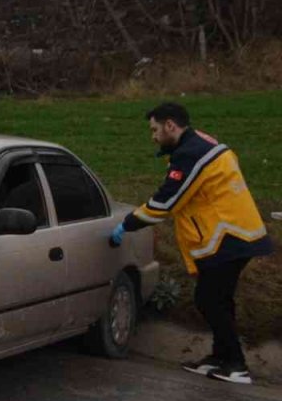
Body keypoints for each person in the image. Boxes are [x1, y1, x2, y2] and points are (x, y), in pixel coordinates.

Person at [111, 102, 274, 385]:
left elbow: (165, 203)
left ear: (170, 126)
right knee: (217, 299)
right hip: (237, 233)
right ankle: (221, 357)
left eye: (155, 130)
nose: (153, 136)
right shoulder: (199, 142)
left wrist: (127, 223)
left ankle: (235, 364)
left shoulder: (190, 155)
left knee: (209, 299)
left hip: (227, 237)